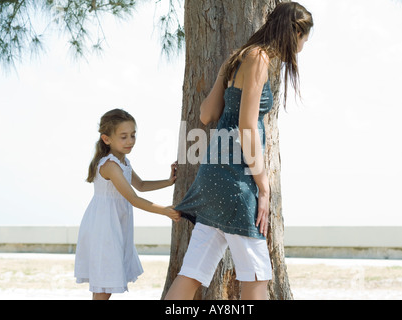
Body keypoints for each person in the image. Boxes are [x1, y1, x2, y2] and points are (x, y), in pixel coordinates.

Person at [165, 2, 313, 300]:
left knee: (192, 273)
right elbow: (246, 126)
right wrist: (263, 185)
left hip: (212, 175)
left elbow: (207, 115)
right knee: (257, 276)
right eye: (304, 39)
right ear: (295, 31)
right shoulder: (259, 58)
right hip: (236, 179)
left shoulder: (238, 59)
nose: (302, 46)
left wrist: (223, 75)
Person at [74, 108, 180, 300]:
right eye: (123, 137)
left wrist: (168, 181)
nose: (130, 141)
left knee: (106, 282)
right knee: (104, 284)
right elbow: (133, 198)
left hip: (115, 224)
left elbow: (140, 185)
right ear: (107, 139)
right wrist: (164, 211)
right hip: (104, 226)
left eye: (133, 135)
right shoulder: (110, 166)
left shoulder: (124, 162)